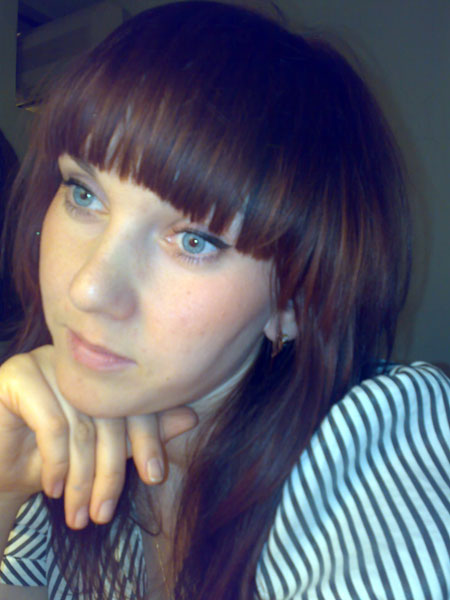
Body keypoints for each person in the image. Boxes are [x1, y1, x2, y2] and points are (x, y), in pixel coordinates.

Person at [0, 2, 448, 599]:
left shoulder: (374, 441)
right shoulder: (73, 443)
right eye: (83, 194)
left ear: (292, 302)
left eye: (194, 241)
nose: (89, 288)